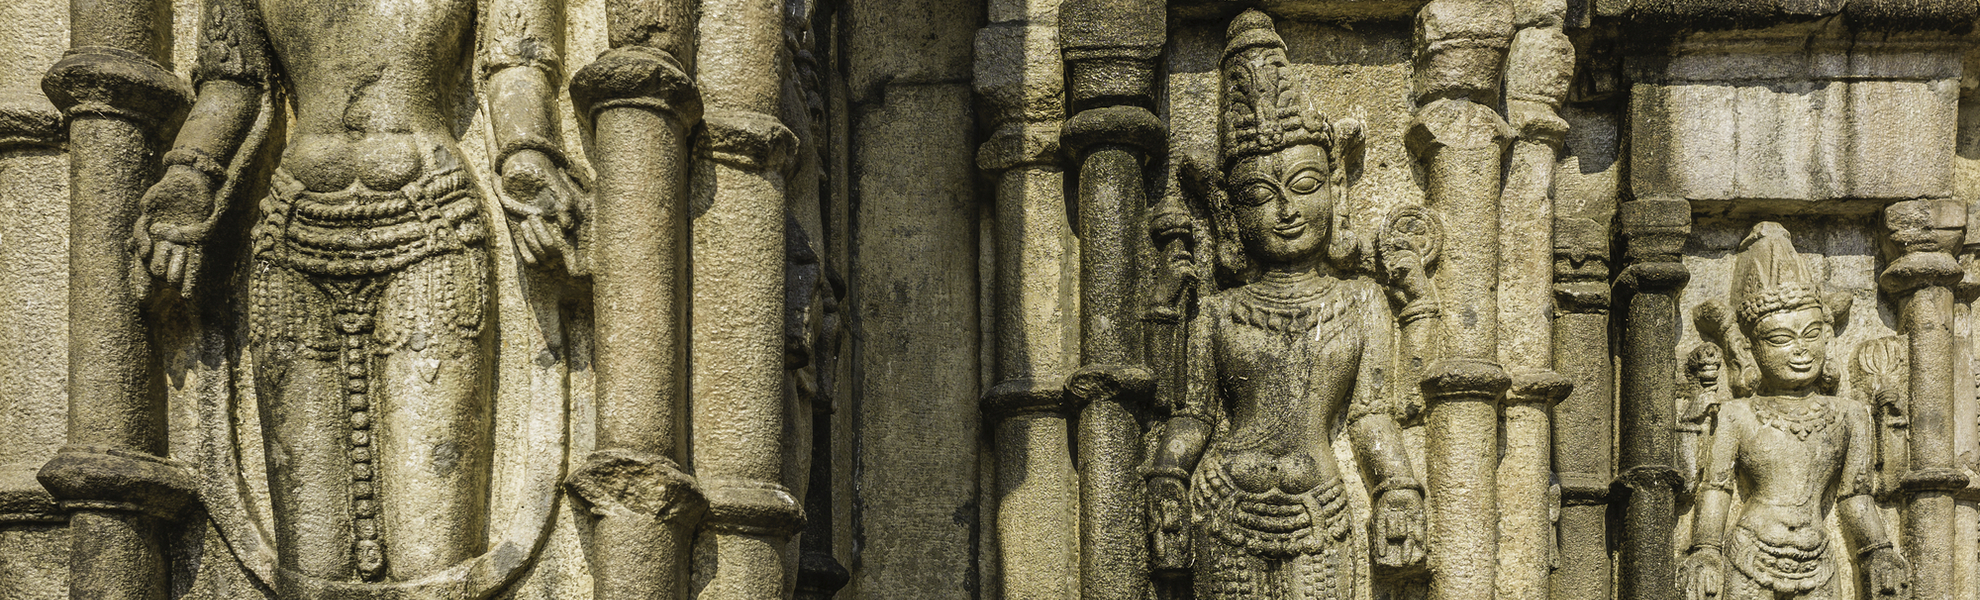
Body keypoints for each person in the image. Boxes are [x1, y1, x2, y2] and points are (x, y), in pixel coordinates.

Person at [135, 0, 580, 582]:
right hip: (294, 228)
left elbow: (514, 69)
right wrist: (191, 177)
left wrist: (527, 156)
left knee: (434, 553)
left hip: (429, 221)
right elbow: (231, 86)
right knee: (311, 556)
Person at [1144, 11, 1425, 599]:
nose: (1286, 211)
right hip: (1226, 504)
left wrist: (1397, 487)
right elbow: (1194, 415)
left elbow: (1371, 417)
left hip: (1319, 512)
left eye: (1303, 185)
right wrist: (1168, 476)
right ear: (1229, 213)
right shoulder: (1220, 312)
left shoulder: (1362, 302)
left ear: (1336, 189)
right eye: (1258, 195)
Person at [1678, 222, 1909, 600]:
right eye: (1781, 338)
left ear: (1827, 336)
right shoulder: (1738, 415)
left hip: (1818, 557)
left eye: (1812, 334)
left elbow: (1855, 496)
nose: (1800, 350)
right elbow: (1716, 487)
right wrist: (1705, 552)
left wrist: (1879, 551)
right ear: (1752, 349)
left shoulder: (1849, 415)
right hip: (1750, 551)